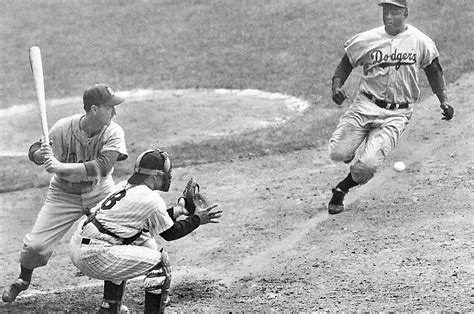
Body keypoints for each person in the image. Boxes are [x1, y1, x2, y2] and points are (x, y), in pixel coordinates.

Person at [2, 83, 128, 302]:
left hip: (99, 191)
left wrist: (59, 167)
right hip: (63, 194)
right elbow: (34, 150)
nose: (114, 112)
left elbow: (103, 166)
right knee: (35, 246)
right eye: (109, 107)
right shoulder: (63, 127)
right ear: (94, 109)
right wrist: (40, 155)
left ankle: (112, 301)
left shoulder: (114, 131)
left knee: (116, 238)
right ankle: (23, 279)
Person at [327, 0, 454, 214]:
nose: (388, 17)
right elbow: (346, 62)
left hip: (397, 113)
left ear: (406, 13)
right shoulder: (368, 39)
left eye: (394, 12)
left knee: (368, 166)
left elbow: (434, 71)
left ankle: (342, 188)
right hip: (365, 105)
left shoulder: (420, 41)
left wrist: (444, 100)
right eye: (385, 12)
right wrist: (336, 87)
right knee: (337, 153)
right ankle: (349, 150)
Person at [69, 148, 223, 314]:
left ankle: (110, 307)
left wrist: (179, 211)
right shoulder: (151, 199)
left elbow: (152, 222)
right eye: (166, 172)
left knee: (142, 240)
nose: (169, 176)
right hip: (94, 255)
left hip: (82, 244)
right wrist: (198, 219)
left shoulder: (124, 187)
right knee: (160, 264)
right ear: (155, 176)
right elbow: (170, 233)